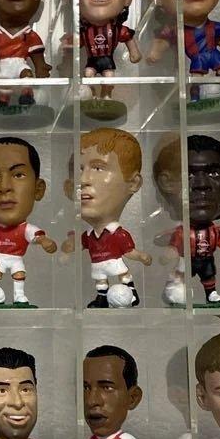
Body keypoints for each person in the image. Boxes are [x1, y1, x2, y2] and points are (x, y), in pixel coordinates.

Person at [153, 133, 220, 306]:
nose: (201, 184)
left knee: (208, 276)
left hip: (206, 260)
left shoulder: (214, 231)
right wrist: (166, 253)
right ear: (166, 184)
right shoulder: (182, 232)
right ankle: (176, 290)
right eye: (188, 174)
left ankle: (211, 293)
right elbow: (169, 242)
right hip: (187, 260)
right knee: (181, 273)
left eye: (213, 173)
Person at [0, 136, 57, 305]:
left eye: (18, 175)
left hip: (17, 258)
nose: (4, 187)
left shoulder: (26, 229)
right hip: (1, 257)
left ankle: (19, 296)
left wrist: (45, 241)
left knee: (19, 275)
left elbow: (38, 236)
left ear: (38, 189)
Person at [72, 128, 151, 307]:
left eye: (98, 168)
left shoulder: (117, 233)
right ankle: (101, 298)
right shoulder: (89, 235)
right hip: (98, 264)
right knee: (100, 280)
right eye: (80, 169)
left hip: (113, 262)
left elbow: (128, 251)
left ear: (133, 183)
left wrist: (140, 256)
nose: (83, 180)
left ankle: (131, 291)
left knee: (122, 274)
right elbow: (80, 244)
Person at [75, 0, 142, 104]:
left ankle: (106, 95)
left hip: (107, 61)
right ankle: (92, 95)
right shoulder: (85, 31)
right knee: (88, 75)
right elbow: (76, 44)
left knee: (109, 77)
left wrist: (134, 53)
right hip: (91, 61)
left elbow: (129, 39)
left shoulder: (117, 30)